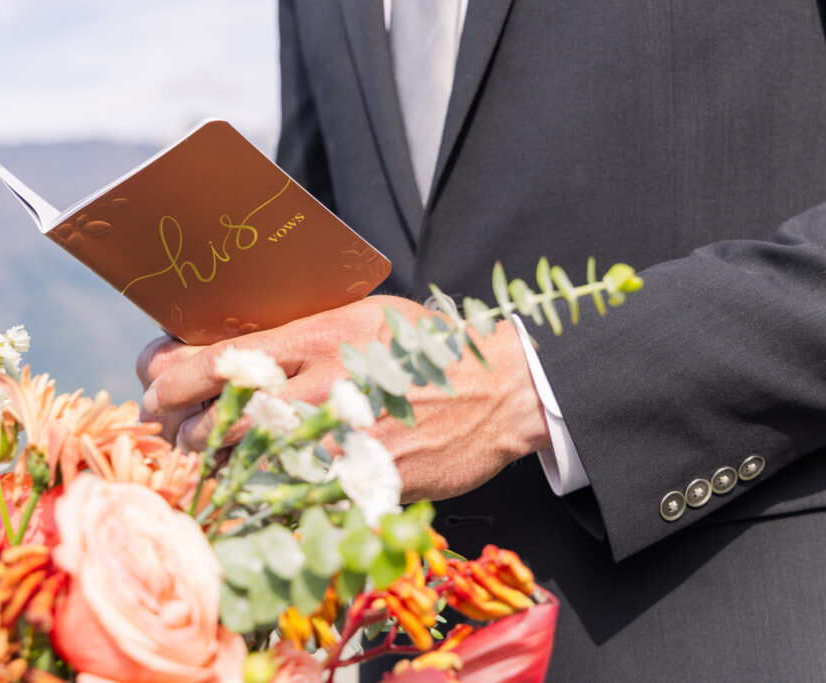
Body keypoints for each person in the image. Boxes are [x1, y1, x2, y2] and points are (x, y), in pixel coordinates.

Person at [138, 1, 826, 680]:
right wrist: (244, 366)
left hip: (725, 628)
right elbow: (334, 253)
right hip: (397, 645)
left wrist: (526, 384)